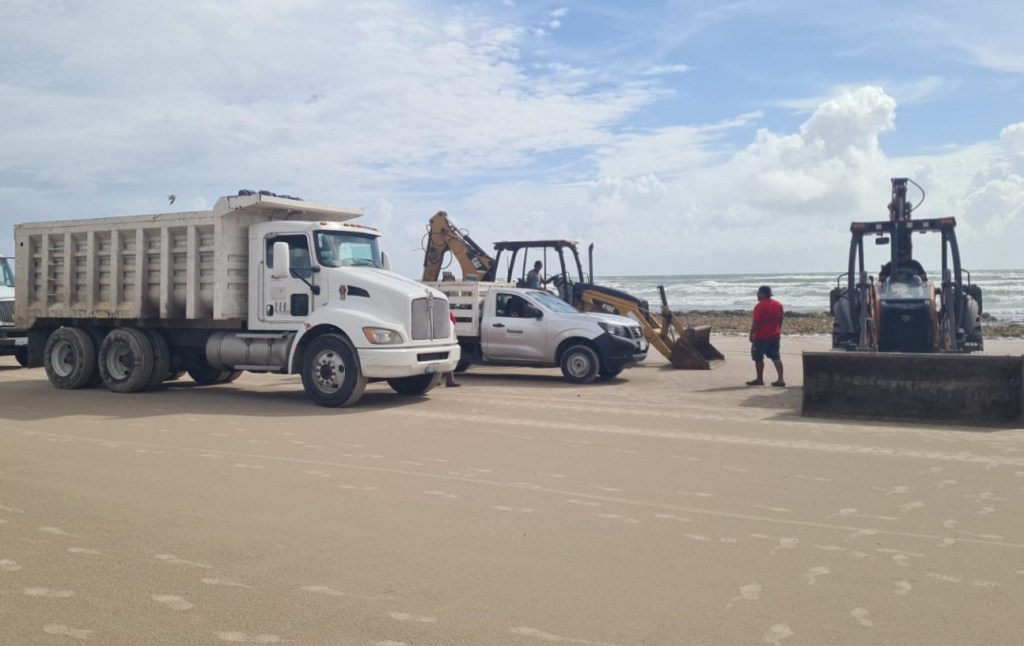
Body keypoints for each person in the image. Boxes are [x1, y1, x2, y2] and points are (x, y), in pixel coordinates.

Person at [747, 285, 785, 387]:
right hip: (774, 335)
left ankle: (759, 379)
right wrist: (778, 330)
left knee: (758, 357)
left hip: (761, 336)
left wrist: (751, 333)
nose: (757, 295)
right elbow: (780, 320)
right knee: (776, 357)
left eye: (758, 293)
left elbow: (756, 322)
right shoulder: (778, 305)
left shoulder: (760, 306)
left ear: (763, 294)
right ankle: (781, 379)